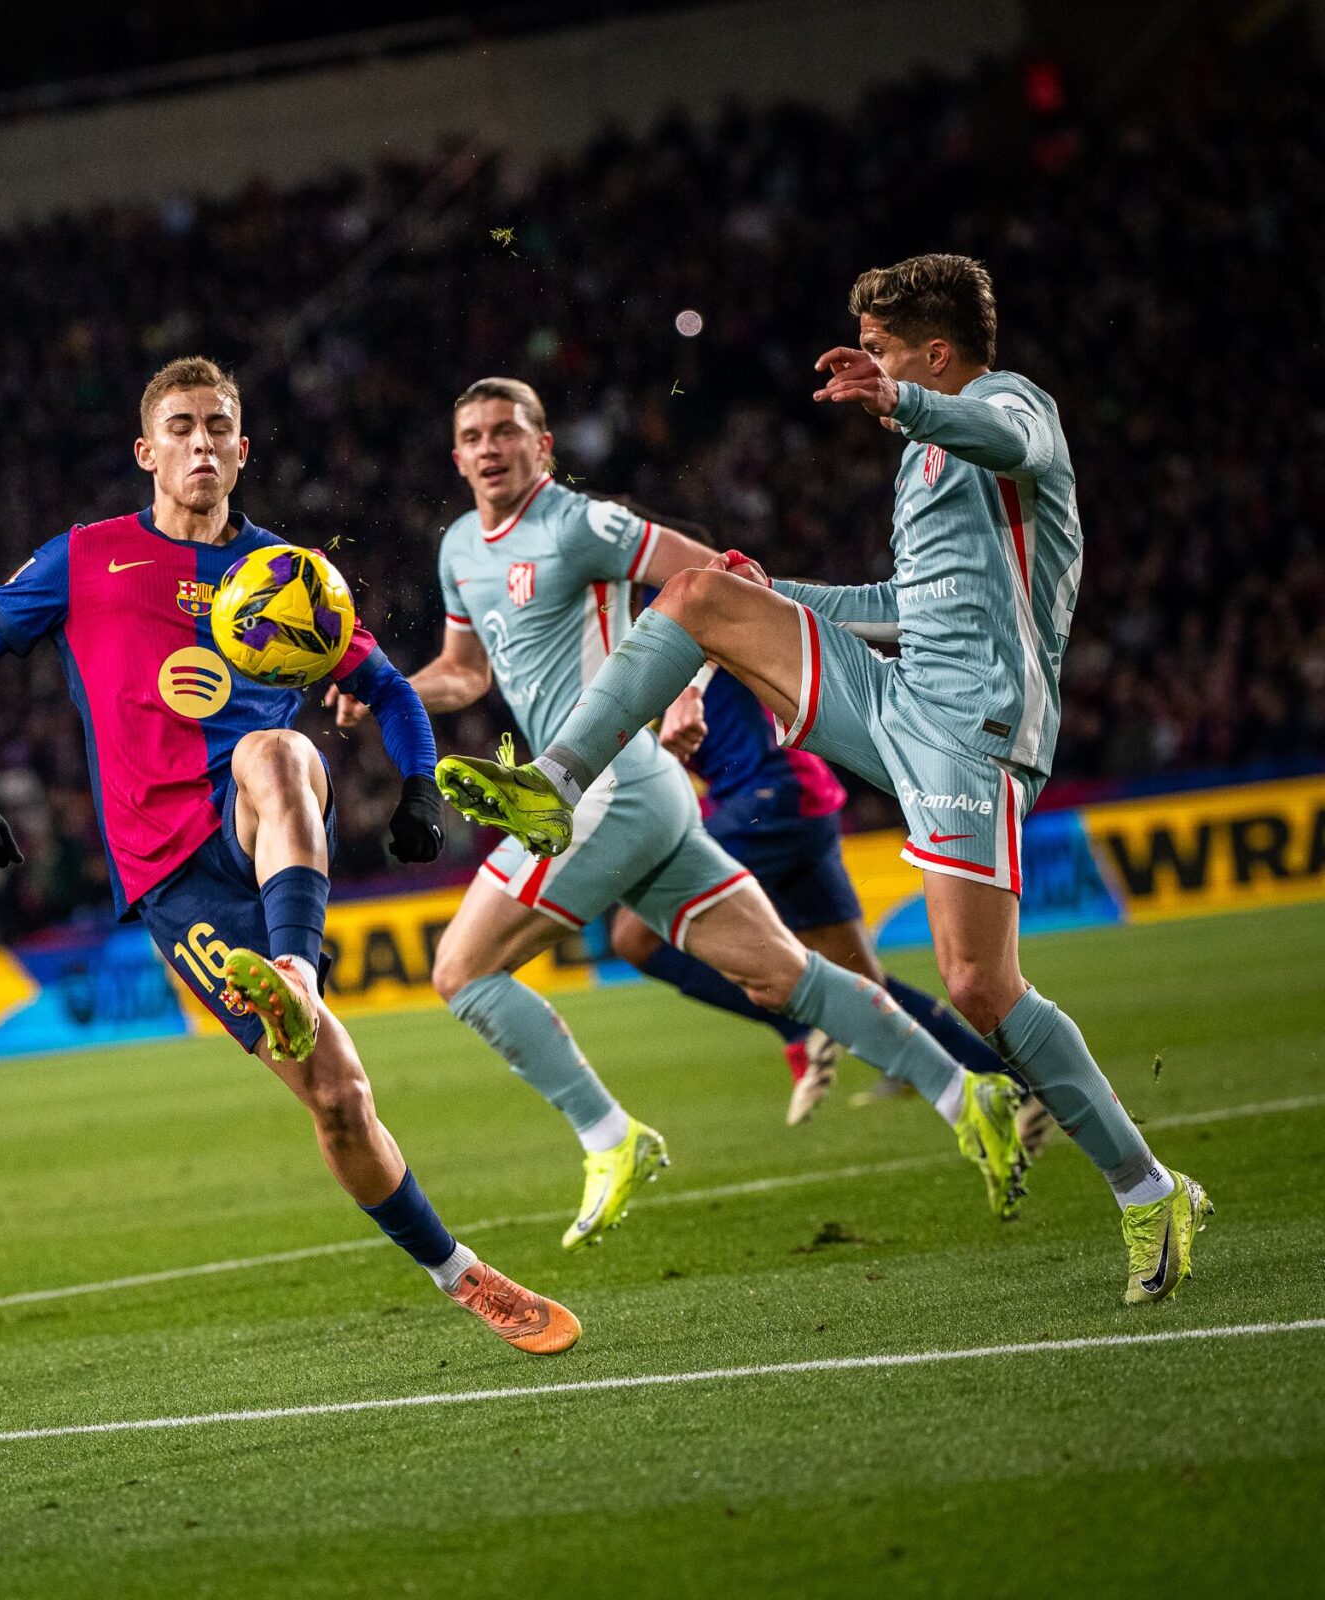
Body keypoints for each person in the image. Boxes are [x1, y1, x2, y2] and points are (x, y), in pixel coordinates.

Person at [447, 256, 1210, 1303]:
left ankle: (1146, 1187)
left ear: (934, 354)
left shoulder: (1003, 404)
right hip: (895, 691)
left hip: (972, 728)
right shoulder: (923, 459)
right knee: (702, 592)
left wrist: (902, 399)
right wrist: (781, 593)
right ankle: (555, 777)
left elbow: (1010, 438)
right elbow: (906, 600)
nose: (871, 369)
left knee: (978, 984)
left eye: (887, 351)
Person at [0, 356, 580, 1355]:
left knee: (279, 749)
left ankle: (291, 968)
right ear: (146, 451)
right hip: (172, 873)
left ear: (242, 448)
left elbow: (393, 689)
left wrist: (413, 782)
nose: (200, 442)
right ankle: (461, 1274)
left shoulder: (289, 575)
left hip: (262, 823)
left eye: (217, 426)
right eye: (180, 427)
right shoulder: (88, 559)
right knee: (341, 1100)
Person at [339, 377, 1024, 1252]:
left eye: (506, 432)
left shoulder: (582, 525)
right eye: (472, 435)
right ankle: (969, 1093)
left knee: (463, 973)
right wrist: (386, 688)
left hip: (609, 783)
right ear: (456, 455)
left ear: (543, 447)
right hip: (630, 795)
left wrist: (692, 688)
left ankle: (608, 1136)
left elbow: (714, 582)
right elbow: (466, 673)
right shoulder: (461, 548)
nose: (488, 448)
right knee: (785, 975)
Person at [618, 661, 1031, 1134]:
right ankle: (1006, 1081)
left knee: (636, 936)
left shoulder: (662, 605)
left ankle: (799, 1028)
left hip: (766, 797)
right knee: (862, 983)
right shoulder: (638, 626)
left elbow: (718, 604)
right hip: (799, 795)